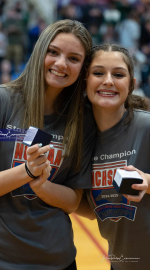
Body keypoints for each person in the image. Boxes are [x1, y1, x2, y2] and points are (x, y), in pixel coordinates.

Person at [0, 19, 96, 270]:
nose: (61, 64)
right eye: (53, 52)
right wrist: (27, 172)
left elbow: (73, 201)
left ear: (83, 68)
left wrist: (41, 184)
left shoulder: (83, 121)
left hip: (56, 259)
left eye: (73, 58)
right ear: (40, 52)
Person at [76, 44, 150, 270]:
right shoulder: (81, 141)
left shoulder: (146, 126)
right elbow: (95, 208)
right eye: (98, 73)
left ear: (131, 85)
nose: (108, 80)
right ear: (85, 82)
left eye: (118, 74)